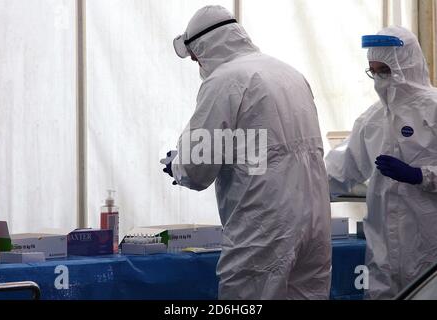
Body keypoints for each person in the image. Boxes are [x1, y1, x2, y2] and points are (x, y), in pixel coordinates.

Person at [163, 5, 331, 300]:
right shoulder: (290, 74)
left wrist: (177, 165)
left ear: (204, 46)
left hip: (263, 228)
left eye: (195, 57)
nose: (197, 64)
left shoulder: (225, 81)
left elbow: (197, 167)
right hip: (314, 222)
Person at [326, 26, 437, 300]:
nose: (378, 79)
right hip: (383, 252)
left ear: (405, 66)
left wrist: (420, 176)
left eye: (384, 70)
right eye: (373, 71)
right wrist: (296, 188)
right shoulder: (372, 119)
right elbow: (341, 169)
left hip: (429, 250)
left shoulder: (434, 110)